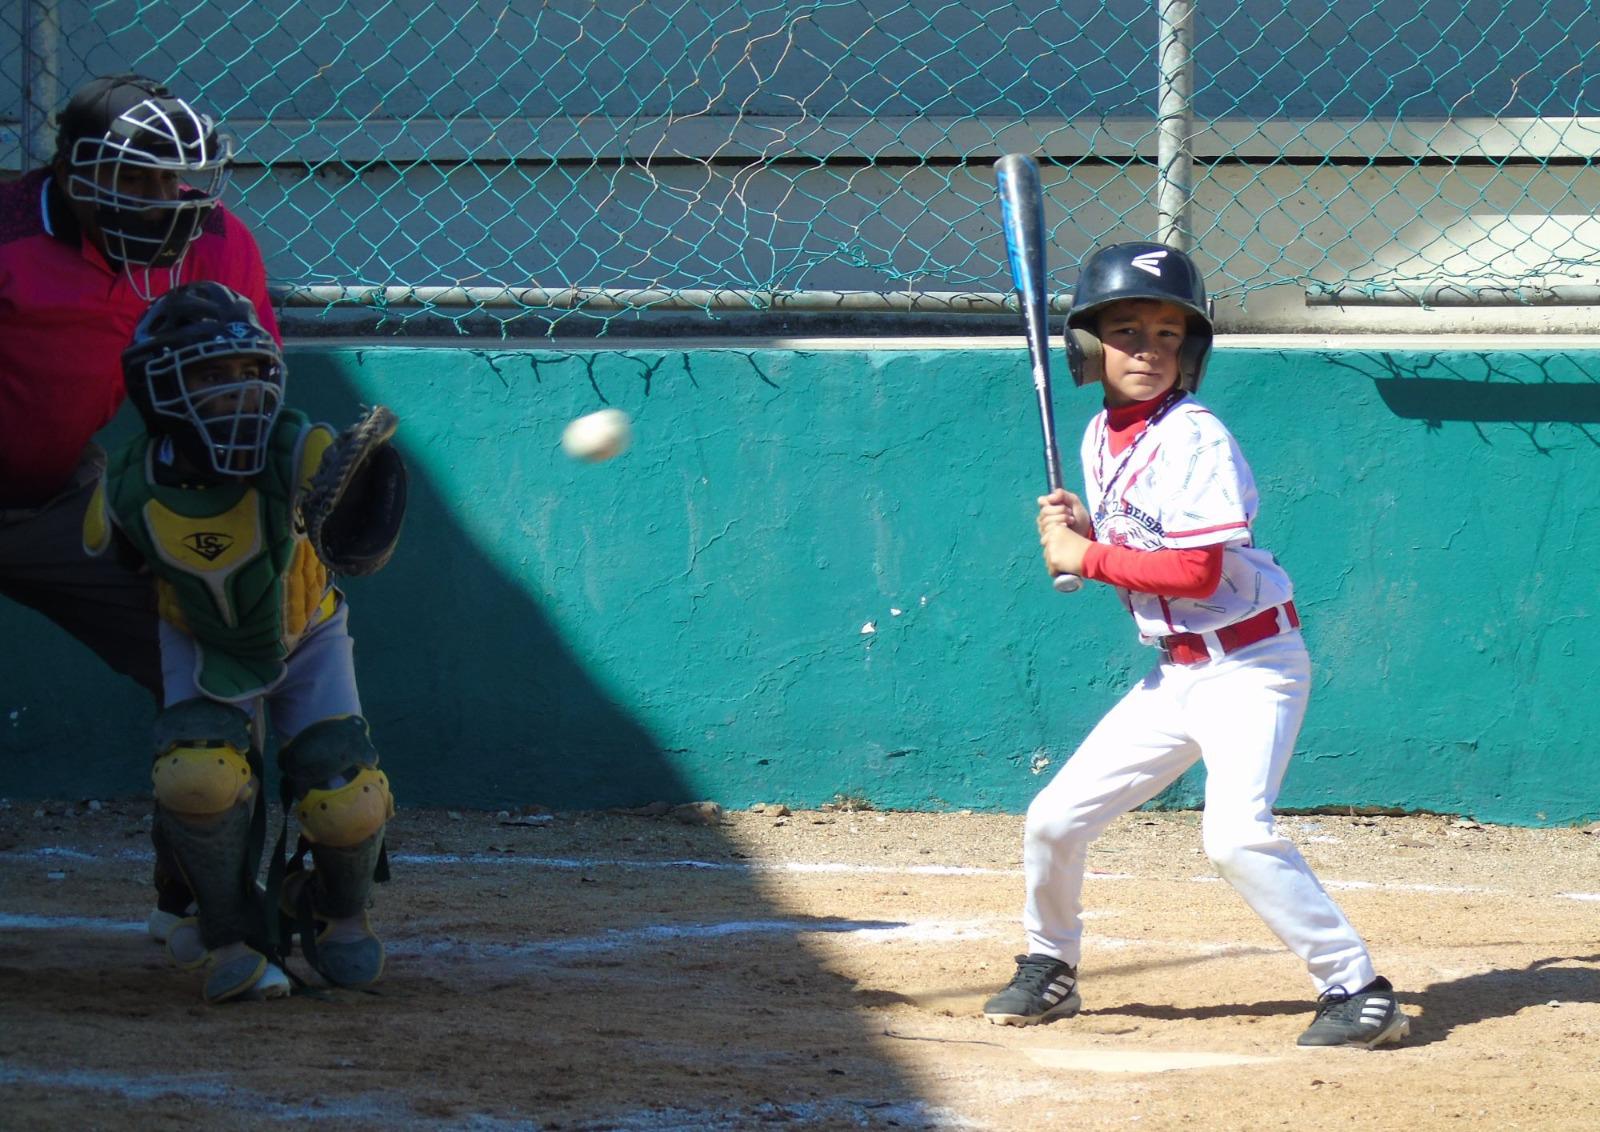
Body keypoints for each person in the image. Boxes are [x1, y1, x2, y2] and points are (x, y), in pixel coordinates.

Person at [981, 242, 1409, 1049]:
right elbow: (1140, 545)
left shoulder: (1197, 436)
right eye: (1128, 330)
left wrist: (1086, 557)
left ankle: (1358, 988)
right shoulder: (1101, 437)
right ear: (1087, 346)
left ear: (1194, 351)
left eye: (1170, 335)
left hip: (1253, 665)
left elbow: (1197, 571)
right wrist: (1084, 530)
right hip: (1177, 674)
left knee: (1236, 835)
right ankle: (1051, 965)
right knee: (1053, 820)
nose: (1148, 349)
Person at [0, 72, 281, 945]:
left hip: (54, 500)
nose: (164, 200)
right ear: (72, 173)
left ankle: (200, 903)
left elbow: (244, 391)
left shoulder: (212, 242)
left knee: (215, 667)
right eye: (138, 178)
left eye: (176, 178)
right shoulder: (9, 236)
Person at [83, 280, 402, 1003]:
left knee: (344, 787)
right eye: (210, 377)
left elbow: (351, 500)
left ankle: (334, 911)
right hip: (199, 633)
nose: (238, 394)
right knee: (197, 775)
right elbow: (111, 553)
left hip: (307, 629)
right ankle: (226, 932)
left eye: (250, 374)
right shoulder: (132, 485)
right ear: (159, 391)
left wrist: (345, 494)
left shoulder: (295, 447)